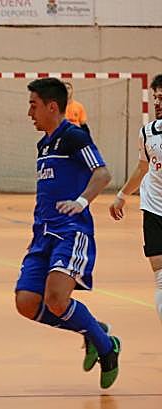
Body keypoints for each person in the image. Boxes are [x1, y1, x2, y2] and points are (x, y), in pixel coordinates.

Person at [15, 77, 120, 389]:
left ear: (51, 106)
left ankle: (107, 348)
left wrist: (80, 201)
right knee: (26, 303)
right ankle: (94, 331)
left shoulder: (74, 136)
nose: (29, 113)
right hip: (42, 234)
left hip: (70, 231)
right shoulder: (43, 144)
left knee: (57, 299)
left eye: (33, 105)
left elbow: (103, 173)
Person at [109, 74, 162, 323]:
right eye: (155, 98)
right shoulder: (147, 132)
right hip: (154, 208)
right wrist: (122, 196)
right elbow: (143, 168)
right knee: (160, 276)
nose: (158, 103)